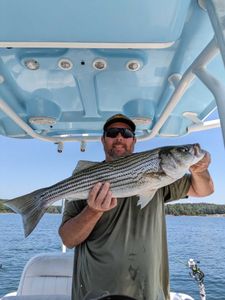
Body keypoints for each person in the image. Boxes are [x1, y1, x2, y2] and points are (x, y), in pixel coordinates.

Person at [58, 114, 214, 300]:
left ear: (134, 140)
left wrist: (201, 169)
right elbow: (68, 239)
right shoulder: (85, 179)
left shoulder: (165, 179)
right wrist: (93, 211)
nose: (119, 138)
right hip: (94, 292)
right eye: (112, 132)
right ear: (103, 139)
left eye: (126, 133)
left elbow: (204, 190)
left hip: (148, 292)